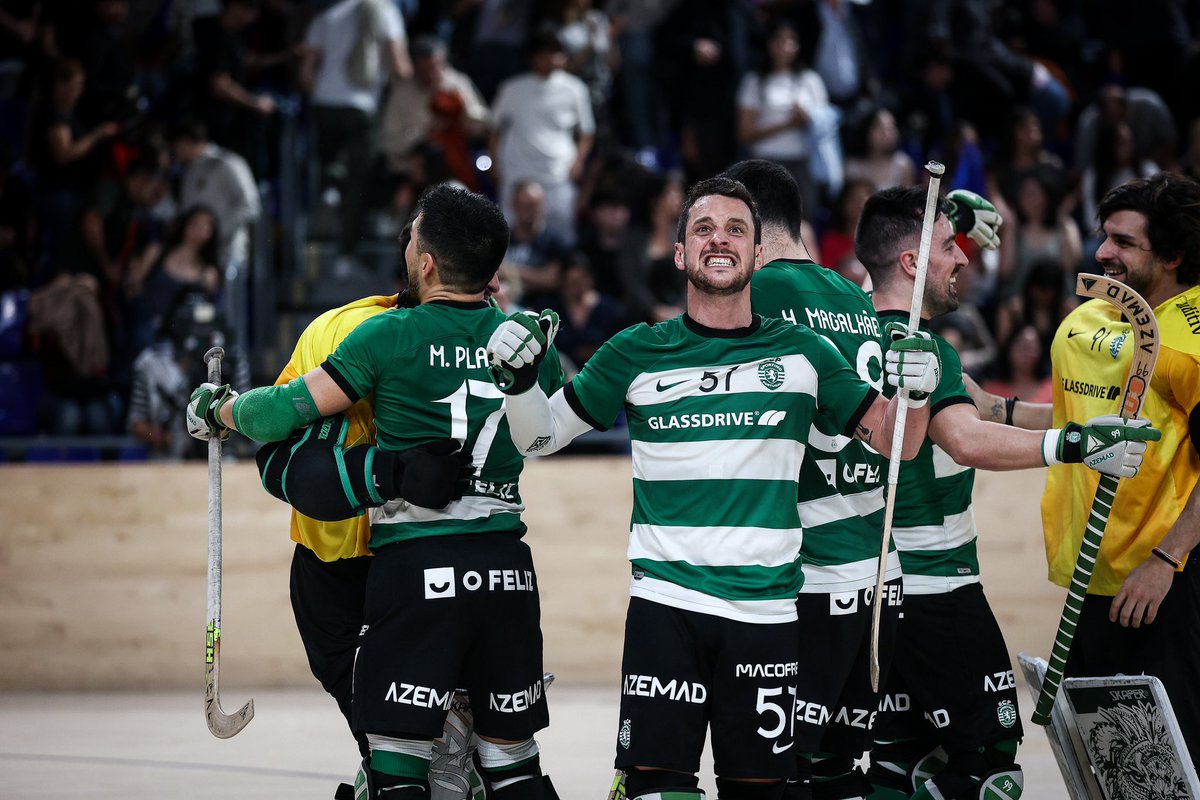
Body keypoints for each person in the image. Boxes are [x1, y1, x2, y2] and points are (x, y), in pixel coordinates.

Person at [487, 175, 941, 800]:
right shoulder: (635, 351)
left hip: (767, 615)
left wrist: (914, 392)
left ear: (759, 254)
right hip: (665, 611)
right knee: (656, 791)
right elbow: (538, 440)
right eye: (703, 228)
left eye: (736, 229)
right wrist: (517, 383)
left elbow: (899, 443)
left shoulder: (805, 352)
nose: (719, 240)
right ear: (679, 253)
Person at [188, 184, 565, 800]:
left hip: (411, 566)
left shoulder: (379, 336)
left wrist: (222, 409)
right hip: (504, 568)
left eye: (415, 232)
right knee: (514, 765)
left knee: (397, 772)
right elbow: (556, 421)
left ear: (427, 262)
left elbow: (276, 418)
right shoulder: (525, 342)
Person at [855, 185, 1158, 800]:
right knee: (989, 767)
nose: (964, 259)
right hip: (940, 591)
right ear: (913, 264)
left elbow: (991, 408)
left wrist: (1090, 415)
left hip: (876, 596)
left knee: (901, 760)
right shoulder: (927, 352)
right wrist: (1078, 445)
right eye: (949, 247)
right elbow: (968, 438)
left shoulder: (851, 339)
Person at [973, 172, 1200, 771]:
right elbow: (1093, 415)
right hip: (1096, 578)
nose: (1103, 253)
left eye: (1125, 243)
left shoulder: (1188, 341)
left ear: (1174, 256)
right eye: (1104, 237)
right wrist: (1002, 409)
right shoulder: (1095, 316)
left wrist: (1166, 561)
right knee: (1100, 760)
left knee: (1167, 769)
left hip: (1165, 586)